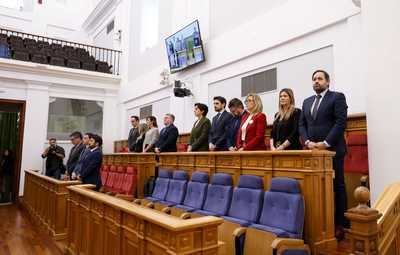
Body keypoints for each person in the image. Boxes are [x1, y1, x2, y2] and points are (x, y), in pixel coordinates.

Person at [299, 70, 348, 241]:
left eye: (320, 79)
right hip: (312, 151)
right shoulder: (306, 102)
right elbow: (302, 125)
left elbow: (341, 122)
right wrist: (307, 142)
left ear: (327, 82)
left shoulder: (337, 97)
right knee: (316, 189)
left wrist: (325, 143)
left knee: (337, 186)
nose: (316, 81)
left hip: (332, 150)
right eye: (314, 79)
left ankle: (340, 223)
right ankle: (320, 224)